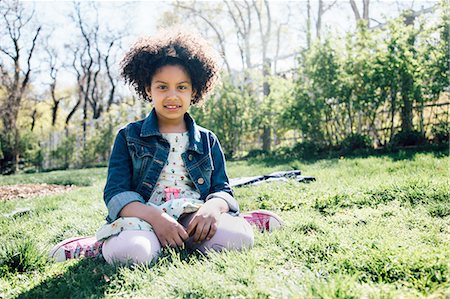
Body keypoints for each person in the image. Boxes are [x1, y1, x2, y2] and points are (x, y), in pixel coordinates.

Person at [49, 28, 283, 264]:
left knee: (238, 240)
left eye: (182, 87)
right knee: (133, 255)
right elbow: (116, 193)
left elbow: (222, 188)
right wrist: (156, 218)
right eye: (162, 87)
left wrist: (212, 208)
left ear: (194, 91)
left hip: (191, 214)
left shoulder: (207, 139)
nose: (172, 95)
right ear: (148, 89)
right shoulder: (128, 136)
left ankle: (237, 222)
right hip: (142, 218)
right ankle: (99, 244)